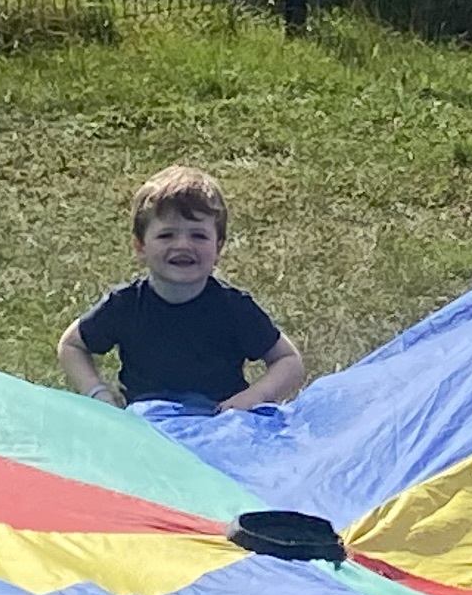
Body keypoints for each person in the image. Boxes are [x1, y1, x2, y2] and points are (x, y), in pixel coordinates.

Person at [60, 165, 306, 412]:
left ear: (218, 248)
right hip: (146, 424)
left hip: (219, 422)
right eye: (166, 235)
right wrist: (97, 392)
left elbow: (288, 360)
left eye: (198, 236)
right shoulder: (125, 305)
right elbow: (71, 346)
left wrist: (254, 396)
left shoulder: (233, 308)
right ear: (140, 246)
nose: (183, 245)